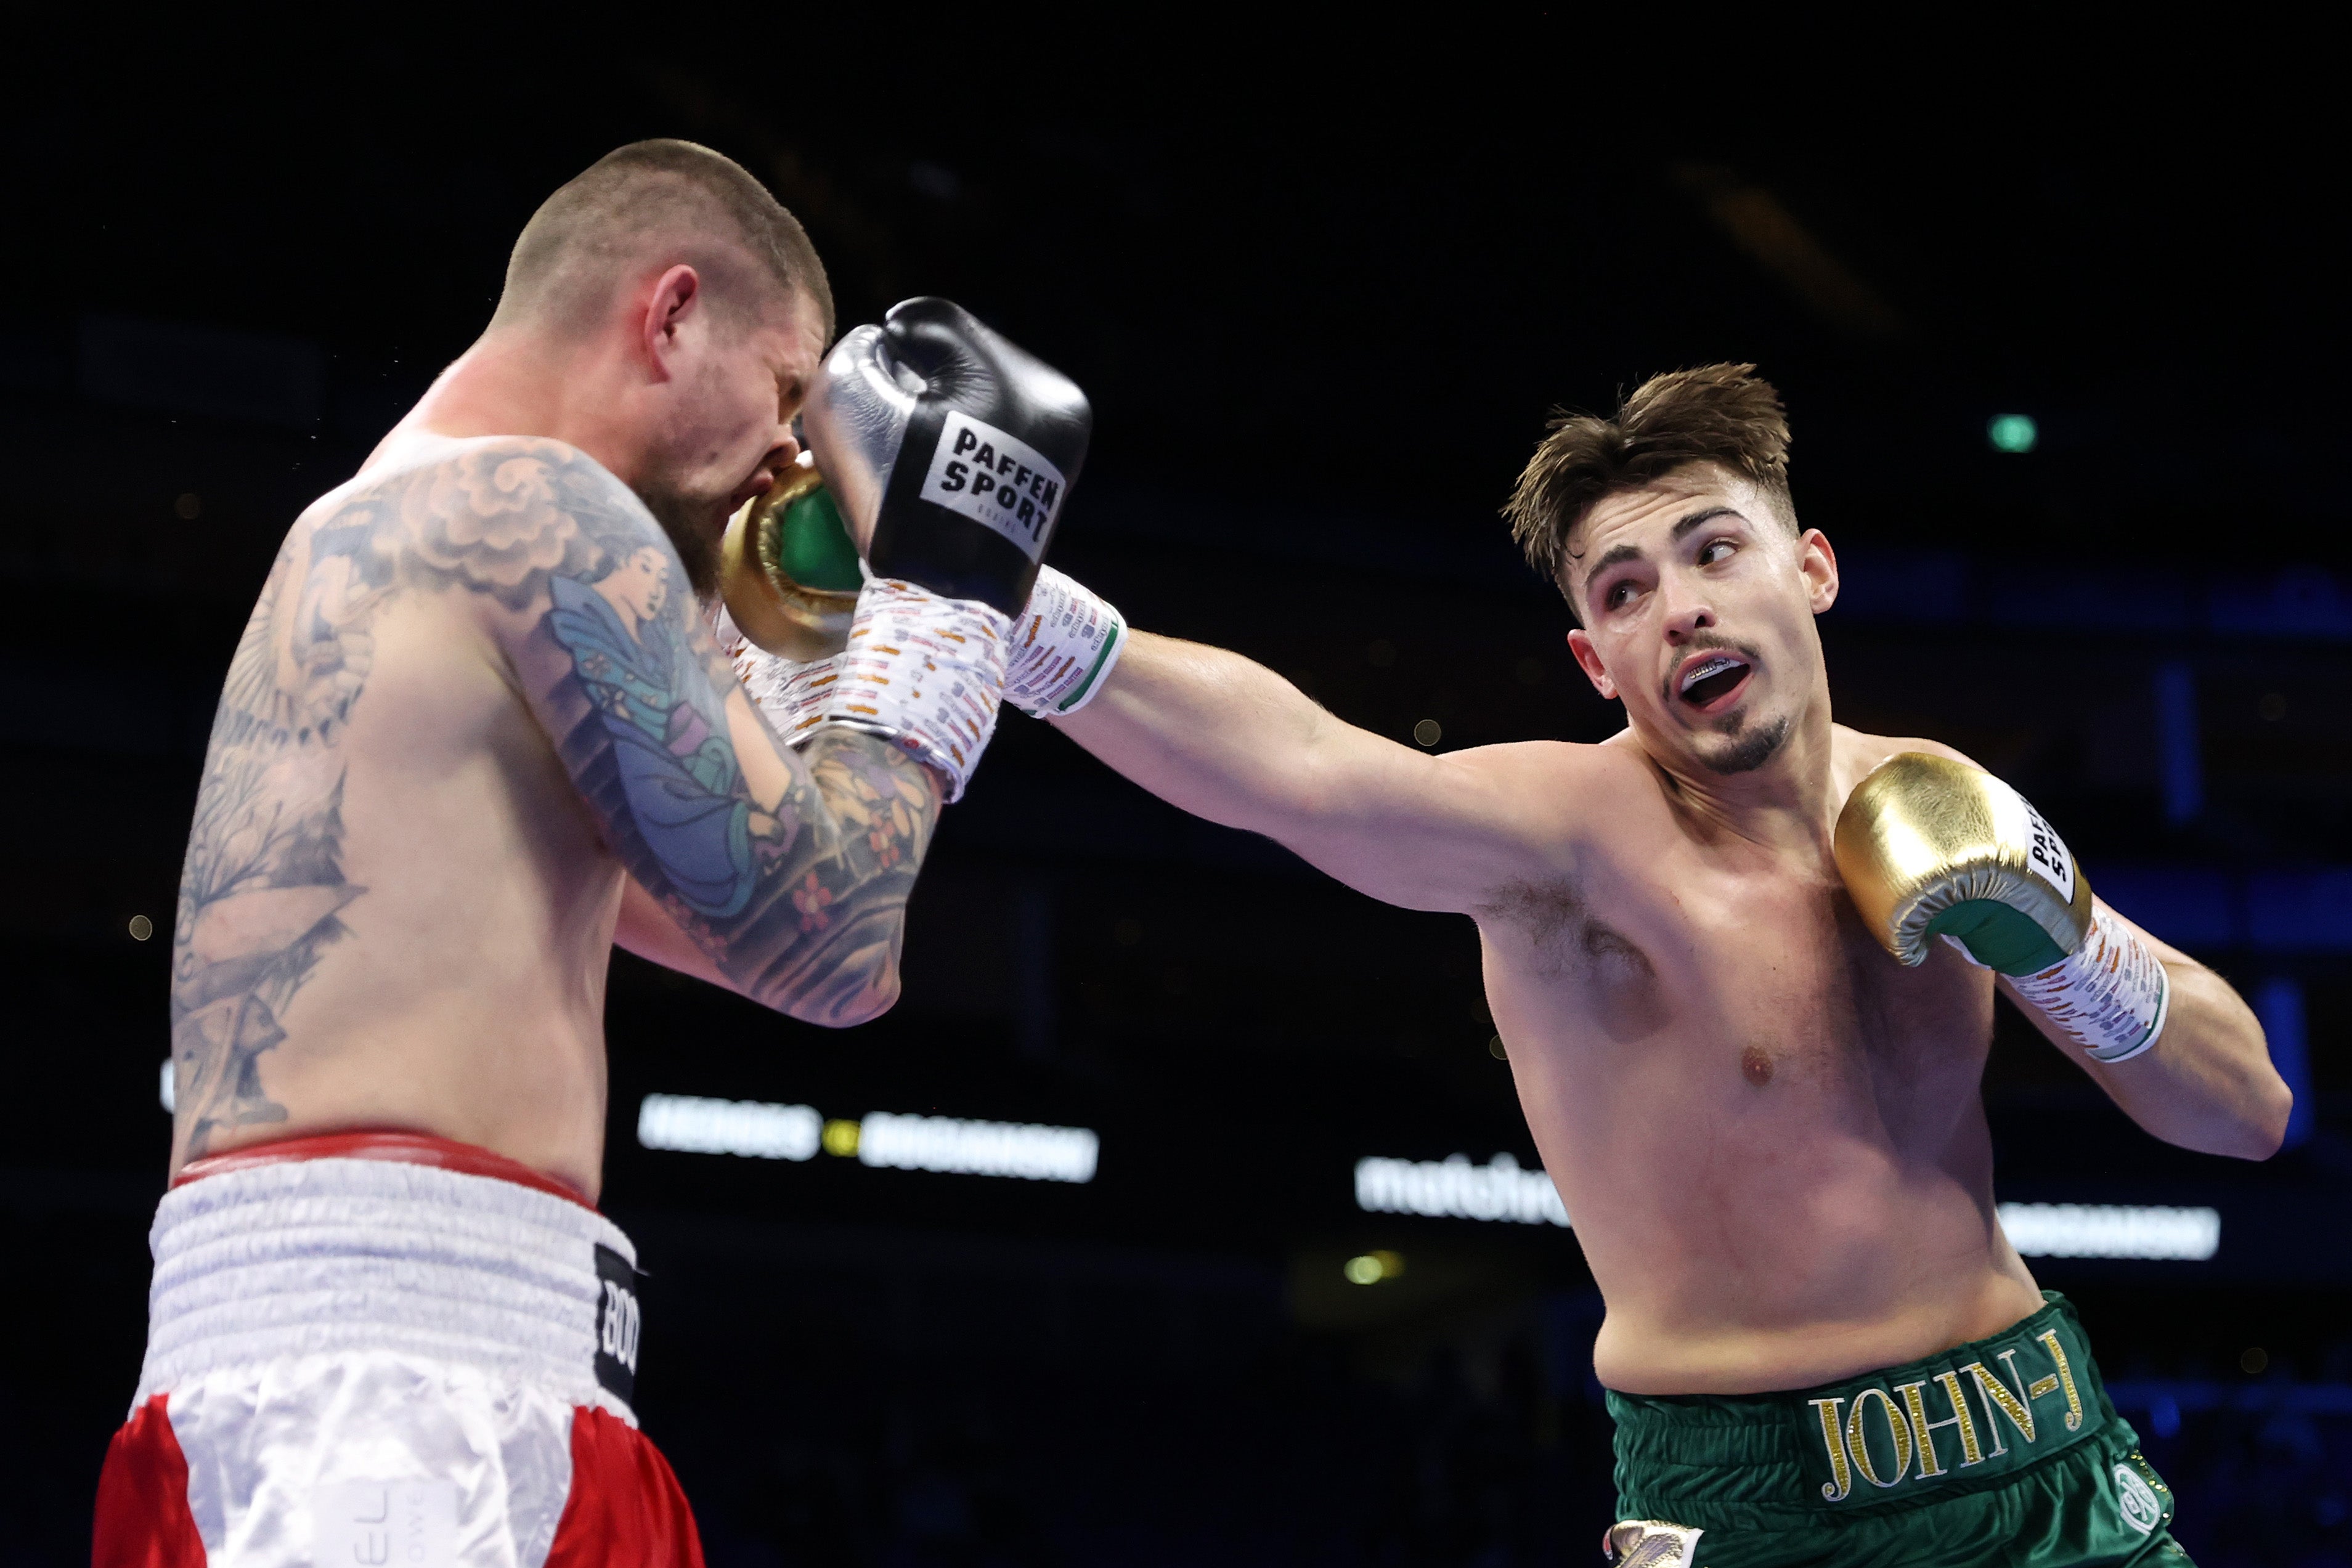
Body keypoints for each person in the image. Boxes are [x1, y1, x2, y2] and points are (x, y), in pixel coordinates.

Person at [1020, 365, 2287, 1564]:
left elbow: (2247, 1112)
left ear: (1812, 570)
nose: (1678, 604)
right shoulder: (1572, 844)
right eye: (1621, 590)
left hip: (2044, 1445)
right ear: (1596, 661)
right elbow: (1298, 768)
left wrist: (2066, 952)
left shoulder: (1937, 800)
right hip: (1760, 1497)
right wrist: (1005, 603)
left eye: (1712, 549)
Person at [97, 140, 1090, 1566]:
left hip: (397, 1383)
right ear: (669, 312)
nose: (794, 457)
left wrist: (829, 673)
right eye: (788, 394)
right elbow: (831, 931)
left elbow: (824, 960)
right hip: (390, 1417)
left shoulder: (399, 535)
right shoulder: (536, 514)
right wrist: (947, 591)